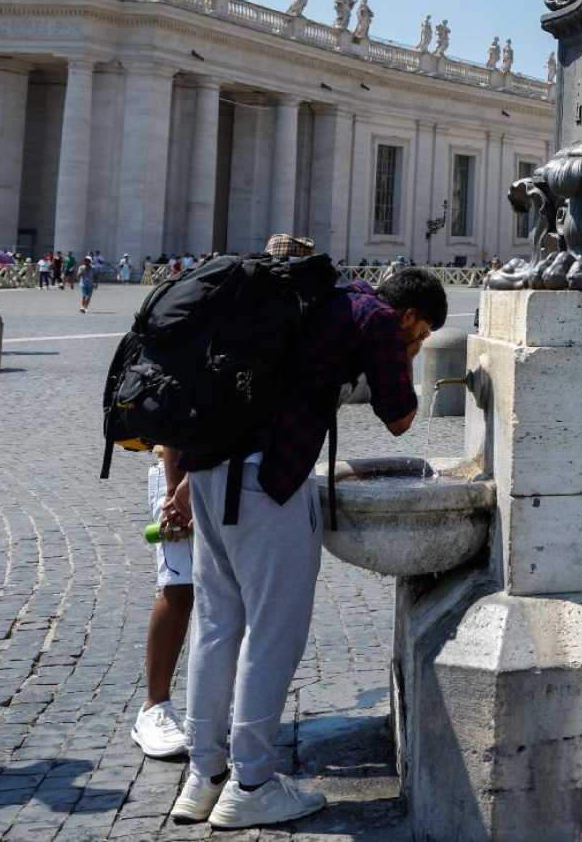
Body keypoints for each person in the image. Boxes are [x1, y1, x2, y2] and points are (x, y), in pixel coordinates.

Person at [166, 239, 445, 829]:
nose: (416, 340)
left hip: (210, 469)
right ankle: (253, 782)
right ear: (415, 316)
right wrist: (407, 356)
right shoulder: (379, 322)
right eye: (421, 332)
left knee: (218, 626)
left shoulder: (327, 300)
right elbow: (399, 419)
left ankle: (204, 774)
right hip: (267, 484)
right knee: (273, 634)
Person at [134, 446, 194, 758]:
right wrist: (175, 491)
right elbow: (177, 418)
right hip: (180, 473)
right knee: (178, 589)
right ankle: (154, 705)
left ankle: (209, 706)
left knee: (221, 591)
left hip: (209, 472)